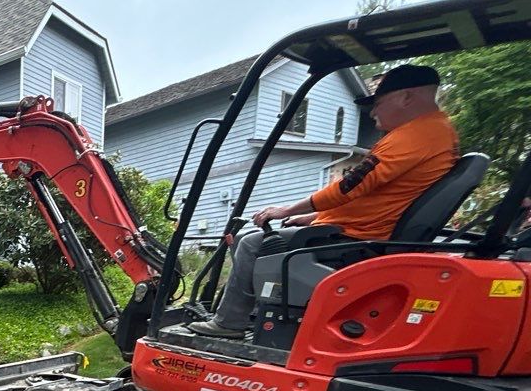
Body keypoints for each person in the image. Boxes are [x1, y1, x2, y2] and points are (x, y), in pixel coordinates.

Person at [189, 64, 460, 337]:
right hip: (358, 230)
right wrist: (312, 217)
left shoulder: (415, 136)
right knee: (259, 242)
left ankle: (230, 324)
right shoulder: (434, 133)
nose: (373, 112)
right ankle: (255, 315)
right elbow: (378, 197)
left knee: (250, 243)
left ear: (406, 97)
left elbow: (349, 187)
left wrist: (286, 209)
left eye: (378, 103)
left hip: (355, 239)